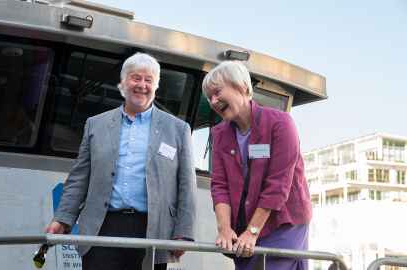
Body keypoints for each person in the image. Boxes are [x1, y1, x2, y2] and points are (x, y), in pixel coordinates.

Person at [45, 52, 197, 270]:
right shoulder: (95, 124)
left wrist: (184, 232)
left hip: (154, 228)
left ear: (156, 86)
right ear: (123, 83)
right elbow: (79, 178)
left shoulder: (178, 129)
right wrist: (62, 218)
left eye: (149, 80)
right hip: (103, 225)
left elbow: (186, 185)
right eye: (136, 78)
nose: (142, 85)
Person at [202, 61, 311, 269]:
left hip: (283, 223)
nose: (213, 101)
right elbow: (220, 186)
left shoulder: (281, 123)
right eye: (209, 97)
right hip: (244, 224)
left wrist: (252, 232)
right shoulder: (219, 134)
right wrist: (224, 228)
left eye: (217, 92)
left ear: (242, 87)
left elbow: (278, 185)